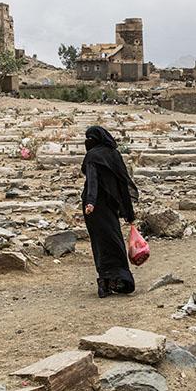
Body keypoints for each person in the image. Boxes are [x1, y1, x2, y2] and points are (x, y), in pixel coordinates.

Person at [81, 125, 139, 298]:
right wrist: (129, 213)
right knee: (115, 241)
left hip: (95, 208)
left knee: (100, 244)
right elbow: (123, 183)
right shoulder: (114, 155)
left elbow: (92, 181)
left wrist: (90, 202)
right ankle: (120, 279)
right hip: (110, 206)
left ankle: (105, 281)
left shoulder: (92, 156)